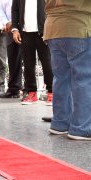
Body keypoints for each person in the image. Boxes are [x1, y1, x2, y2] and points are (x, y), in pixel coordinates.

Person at [44, 0, 91, 140]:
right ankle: (82, 127)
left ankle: (60, 123)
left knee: (61, 78)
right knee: (83, 79)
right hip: (78, 25)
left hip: (53, 27)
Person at [11, 0, 53, 105]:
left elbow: (52, 9)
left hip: (43, 32)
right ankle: (31, 92)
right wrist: (15, 29)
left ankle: (52, 92)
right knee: (28, 64)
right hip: (25, 33)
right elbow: (15, 9)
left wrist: (49, 29)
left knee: (47, 63)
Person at [0, 0, 23, 98]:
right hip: (9, 29)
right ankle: (14, 89)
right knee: (13, 59)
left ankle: (28, 89)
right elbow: (0, 9)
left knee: (28, 60)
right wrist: (7, 22)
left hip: (24, 26)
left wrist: (15, 23)